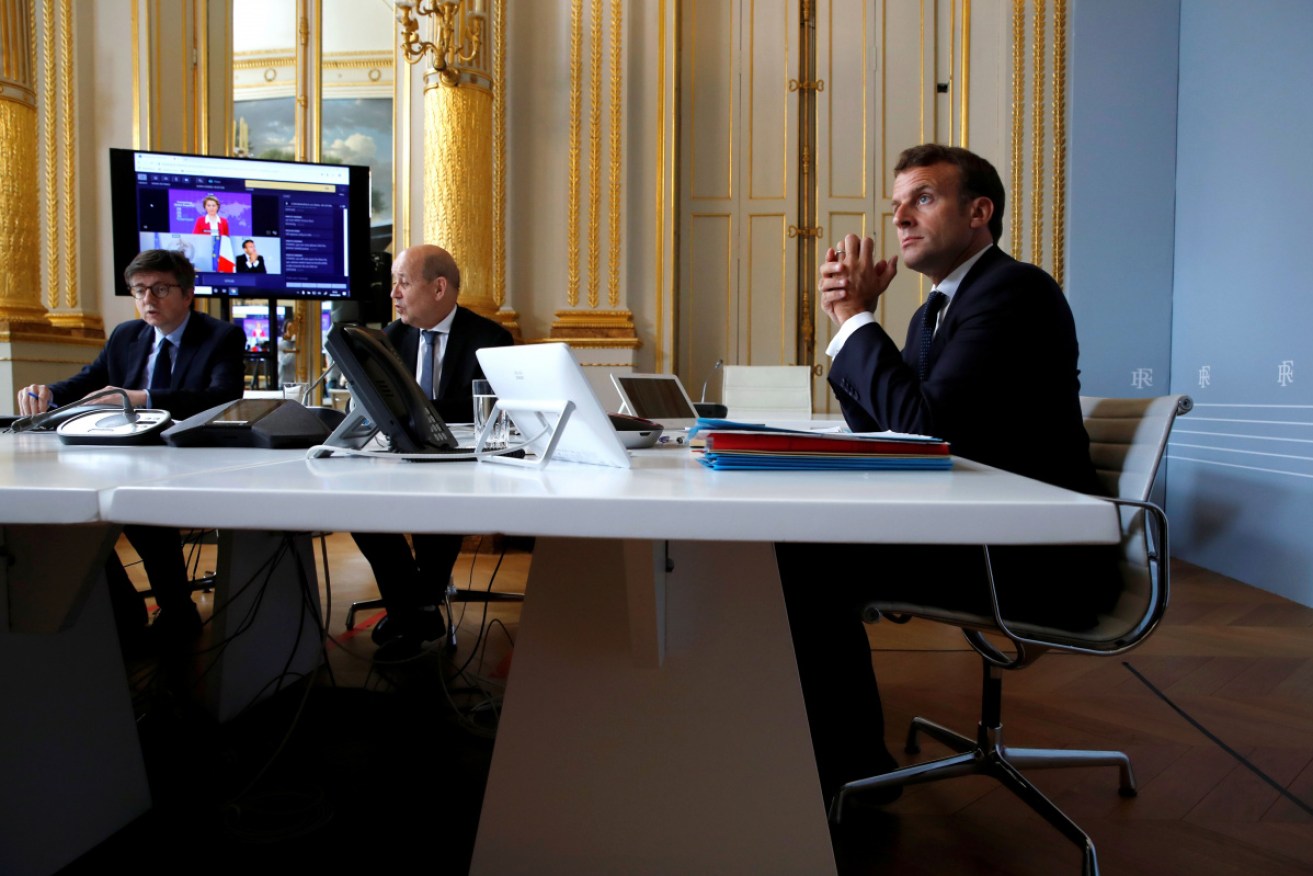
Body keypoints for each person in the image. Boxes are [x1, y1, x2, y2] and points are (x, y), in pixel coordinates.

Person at [777, 144, 1112, 812]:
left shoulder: (1011, 293)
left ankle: (848, 781)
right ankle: (819, 759)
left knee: (801, 561)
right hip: (982, 530)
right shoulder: (934, 311)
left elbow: (924, 429)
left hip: (1031, 559)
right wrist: (857, 326)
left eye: (922, 198)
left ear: (978, 212)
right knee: (798, 553)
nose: (899, 215)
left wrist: (851, 321)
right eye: (897, 202)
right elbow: (886, 429)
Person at [18, 249, 246, 644]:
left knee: (140, 510)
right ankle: (124, 613)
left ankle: (177, 611)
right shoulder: (127, 335)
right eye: (139, 290)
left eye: (160, 289)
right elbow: (87, 382)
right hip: (122, 453)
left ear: (188, 293)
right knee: (77, 515)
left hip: (187, 456)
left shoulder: (220, 335)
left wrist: (143, 397)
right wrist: (49, 392)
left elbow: (221, 397)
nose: (148, 300)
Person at [351, 244, 513, 659]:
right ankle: (416, 609)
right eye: (393, 284)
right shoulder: (388, 338)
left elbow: (486, 409)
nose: (393, 294)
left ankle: (411, 613)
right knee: (357, 508)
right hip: (397, 459)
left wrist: (414, 409)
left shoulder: (490, 339)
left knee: (441, 503)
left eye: (403, 283)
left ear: (439, 287)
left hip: (461, 462)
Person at [277, 320, 297, 386]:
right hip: (284, 383)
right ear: (285, 331)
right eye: (289, 329)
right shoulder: (281, 345)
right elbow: (284, 361)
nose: (292, 331)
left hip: (295, 382)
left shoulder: (297, 345)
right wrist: (294, 350)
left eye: (294, 328)